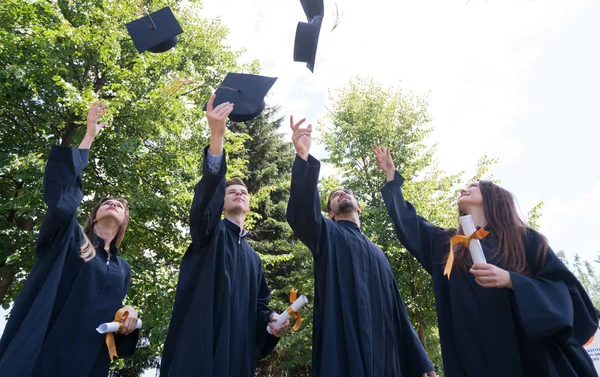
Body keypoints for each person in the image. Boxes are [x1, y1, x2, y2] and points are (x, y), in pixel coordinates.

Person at [374, 144, 599, 377]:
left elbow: (568, 296)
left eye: (473, 186)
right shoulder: (449, 246)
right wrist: (391, 177)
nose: (464, 188)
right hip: (474, 361)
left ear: (493, 198)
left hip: (530, 357)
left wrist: (512, 280)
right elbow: (409, 223)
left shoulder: (524, 239)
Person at [286, 117, 436, 377]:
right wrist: (303, 157)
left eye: (346, 193)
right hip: (344, 347)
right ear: (330, 213)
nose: (341, 194)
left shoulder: (378, 254)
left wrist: (422, 363)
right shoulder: (326, 234)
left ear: (358, 207)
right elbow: (302, 214)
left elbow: (398, 311)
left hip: (383, 353)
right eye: (334, 196)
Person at [0, 102, 139, 376]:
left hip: (87, 362)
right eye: (106, 202)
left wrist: (127, 312)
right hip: (45, 350)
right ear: (94, 214)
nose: (112, 204)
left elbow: (115, 318)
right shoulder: (69, 237)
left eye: (119, 205)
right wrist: (88, 137)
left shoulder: (123, 269)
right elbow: (62, 197)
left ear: (124, 221)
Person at [160, 95, 289, 377]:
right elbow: (205, 203)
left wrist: (271, 320)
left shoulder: (253, 259)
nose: (239, 193)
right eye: (231, 192)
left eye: (243, 192)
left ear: (249, 204)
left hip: (235, 357)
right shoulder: (209, 233)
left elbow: (259, 307)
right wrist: (216, 137)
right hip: (199, 347)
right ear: (222, 202)